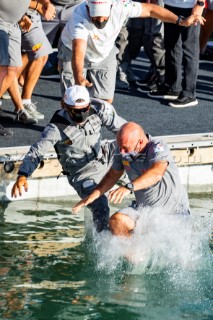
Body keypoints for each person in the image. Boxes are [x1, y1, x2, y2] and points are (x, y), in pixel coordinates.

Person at [11, 85, 127, 232]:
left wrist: (144, 144)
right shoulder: (56, 128)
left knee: (137, 168)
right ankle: (102, 241)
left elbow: (125, 128)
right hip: (82, 173)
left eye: (84, 109)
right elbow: (36, 152)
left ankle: (142, 216)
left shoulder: (99, 109)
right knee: (100, 204)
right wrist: (23, 175)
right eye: (76, 111)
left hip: (105, 155)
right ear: (65, 106)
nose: (81, 114)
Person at [57, 0, 204, 103]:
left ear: (111, 8)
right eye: (96, 17)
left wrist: (180, 21)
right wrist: (79, 79)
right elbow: (78, 51)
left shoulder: (121, 6)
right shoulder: (79, 18)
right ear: (88, 9)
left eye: (103, 16)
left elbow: (151, 9)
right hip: (72, 52)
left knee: (106, 100)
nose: (100, 20)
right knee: (72, 99)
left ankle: (94, 128)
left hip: (104, 51)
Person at [72, 122, 190, 237]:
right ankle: (136, 255)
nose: (121, 152)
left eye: (125, 148)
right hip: (144, 211)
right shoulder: (121, 151)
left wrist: (128, 187)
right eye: (120, 147)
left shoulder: (158, 147)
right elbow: (113, 175)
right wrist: (93, 195)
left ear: (140, 142)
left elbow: (157, 173)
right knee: (116, 222)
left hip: (173, 213)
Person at [0, 0, 56, 136]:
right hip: (1, 21)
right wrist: (38, 6)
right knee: (3, 68)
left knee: (12, 68)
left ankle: (21, 105)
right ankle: (20, 105)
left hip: (14, 22)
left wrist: (21, 14)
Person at [148, 0, 206, 107]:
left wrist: (200, 4)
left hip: (191, 7)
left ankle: (189, 94)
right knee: (171, 46)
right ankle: (172, 87)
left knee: (190, 50)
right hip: (170, 5)